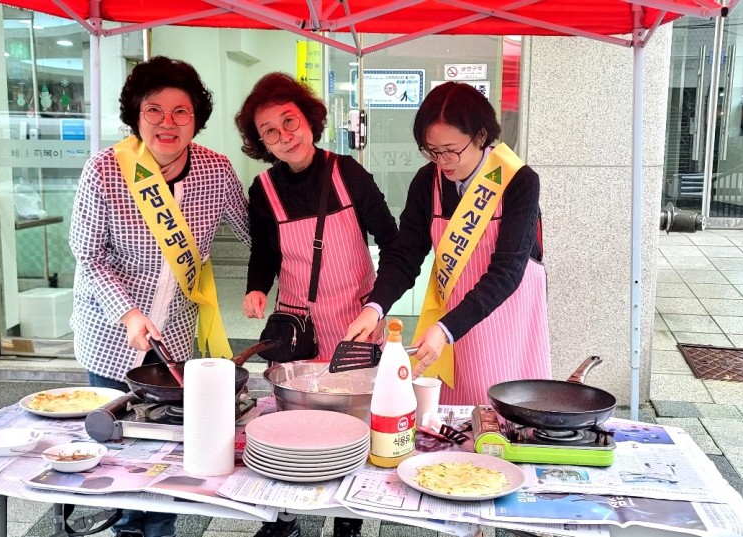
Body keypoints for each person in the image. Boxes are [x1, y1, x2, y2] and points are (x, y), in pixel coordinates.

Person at [69, 55, 249, 537]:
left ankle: (160, 528)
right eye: (154, 110)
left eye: (180, 112)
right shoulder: (105, 170)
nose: (167, 124)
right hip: (112, 336)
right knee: (120, 445)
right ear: (136, 114)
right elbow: (88, 256)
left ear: (196, 119)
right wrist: (127, 312)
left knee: (171, 445)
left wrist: (274, 277)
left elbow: (256, 233)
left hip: (178, 337)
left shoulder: (216, 169)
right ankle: (125, 525)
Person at [235, 72, 397, 537]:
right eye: (270, 131)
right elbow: (264, 252)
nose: (284, 135)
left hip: (356, 321)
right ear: (261, 142)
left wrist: (379, 305)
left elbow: (390, 240)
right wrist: (256, 287)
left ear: (309, 120)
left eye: (290, 121)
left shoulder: (347, 172)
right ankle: (284, 516)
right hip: (299, 324)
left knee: (352, 422)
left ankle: (349, 519)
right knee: (295, 420)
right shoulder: (263, 189)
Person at [345, 81, 551, 406]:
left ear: (481, 137)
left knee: (500, 414)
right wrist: (374, 307)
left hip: (504, 319)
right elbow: (405, 255)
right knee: (449, 416)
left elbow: (508, 271)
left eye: (452, 150)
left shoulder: (518, 181)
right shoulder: (428, 181)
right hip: (451, 319)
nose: (443, 162)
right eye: (432, 151)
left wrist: (446, 328)